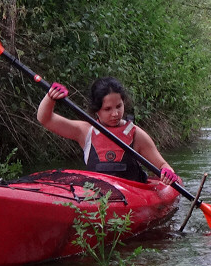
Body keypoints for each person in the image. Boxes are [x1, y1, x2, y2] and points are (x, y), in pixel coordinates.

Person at [37, 76, 180, 185]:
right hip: (97, 201)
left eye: (119, 106)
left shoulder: (136, 135)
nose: (115, 113)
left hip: (132, 203)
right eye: (107, 109)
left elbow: (162, 165)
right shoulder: (85, 132)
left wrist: (168, 173)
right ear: (96, 110)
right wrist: (50, 97)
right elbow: (45, 119)